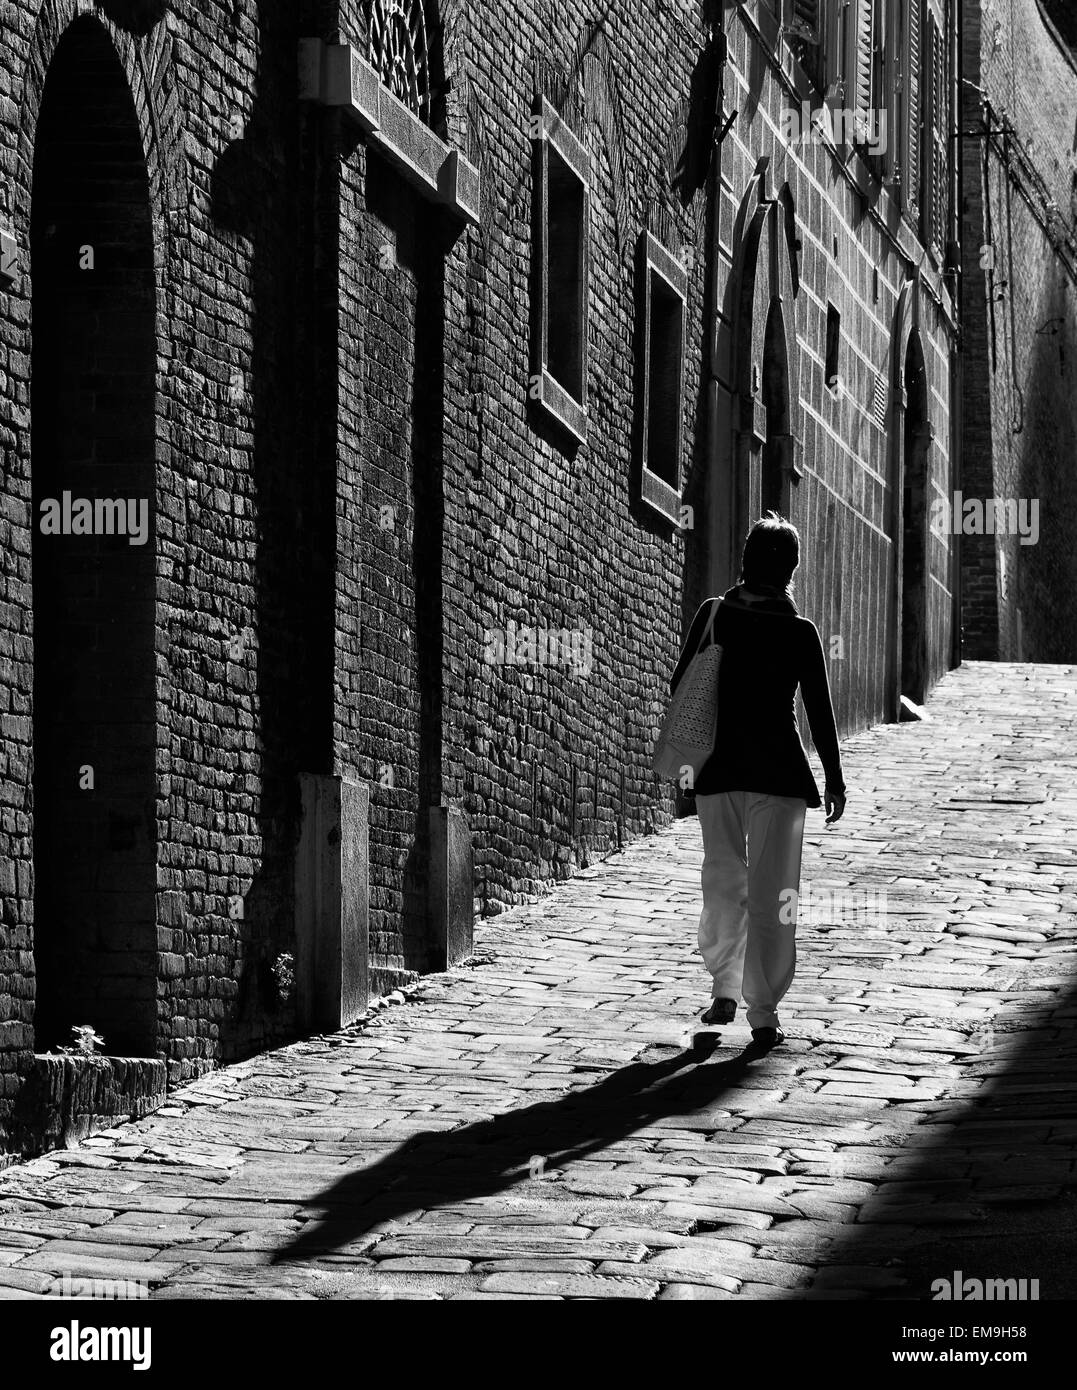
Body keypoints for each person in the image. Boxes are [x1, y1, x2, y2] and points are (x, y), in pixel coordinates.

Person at [668, 513, 846, 1052]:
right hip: (779, 776)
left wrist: (684, 766)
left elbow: (683, 687)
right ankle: (763, 1012)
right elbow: (818, 708)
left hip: (719, 771)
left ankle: (724, 985)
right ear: (791, 569)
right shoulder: (800, 631)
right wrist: (834, 778)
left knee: (723, 878)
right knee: (776, 895)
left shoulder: (714, 615)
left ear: (745, 560)